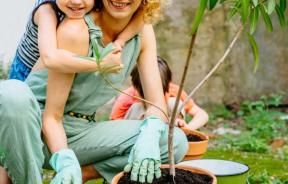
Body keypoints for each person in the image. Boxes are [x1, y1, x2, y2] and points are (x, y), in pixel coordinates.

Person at [0, 0, 188, 183]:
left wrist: (150, 136)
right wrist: (64, 159)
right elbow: (52, 117)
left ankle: (82, 175)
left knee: (175, 142)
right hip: (34, 129)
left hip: (81, 129)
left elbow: (156, 103)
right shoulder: (75, 30)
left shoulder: (142, 31)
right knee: (13, 94)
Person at [8, 0, 145, 81]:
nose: (76, 2)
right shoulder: (46, 10)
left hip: (63, 68)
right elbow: (49, 58)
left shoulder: (95, 3)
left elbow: (142, 16)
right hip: (27, 72)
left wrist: (120, 41)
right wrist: (102, 64)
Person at [110, 56, 209, 130]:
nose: (151, 97)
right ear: (135, 86)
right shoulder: (127, 97)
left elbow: (202, 114)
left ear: (167, 85)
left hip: (170, 131)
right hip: (136, 132)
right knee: (137, 108)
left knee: (173, 103)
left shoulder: (173, 91)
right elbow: (113, 127)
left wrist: (188, 128)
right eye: (146, 95)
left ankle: (176, 131)